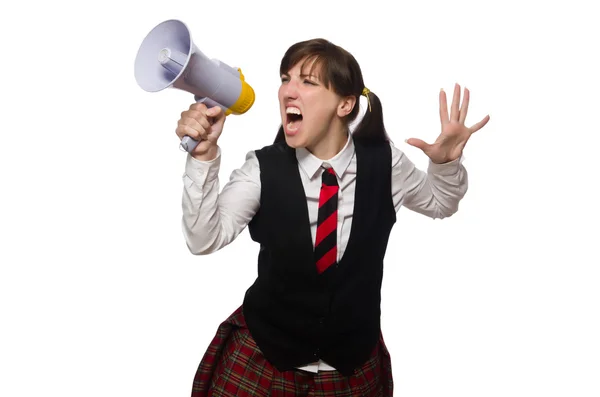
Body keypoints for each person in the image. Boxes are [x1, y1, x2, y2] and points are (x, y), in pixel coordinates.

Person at [175, 38, 490, 397]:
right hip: (263, 359)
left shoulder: (385, 164)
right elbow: (203, 239)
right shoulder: (261, 169)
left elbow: (440, 203)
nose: (287, 92)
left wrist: (445, 162)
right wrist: (202, 158)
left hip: (351, 368)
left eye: (307, 82)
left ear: (346, 103)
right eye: (285, 78)